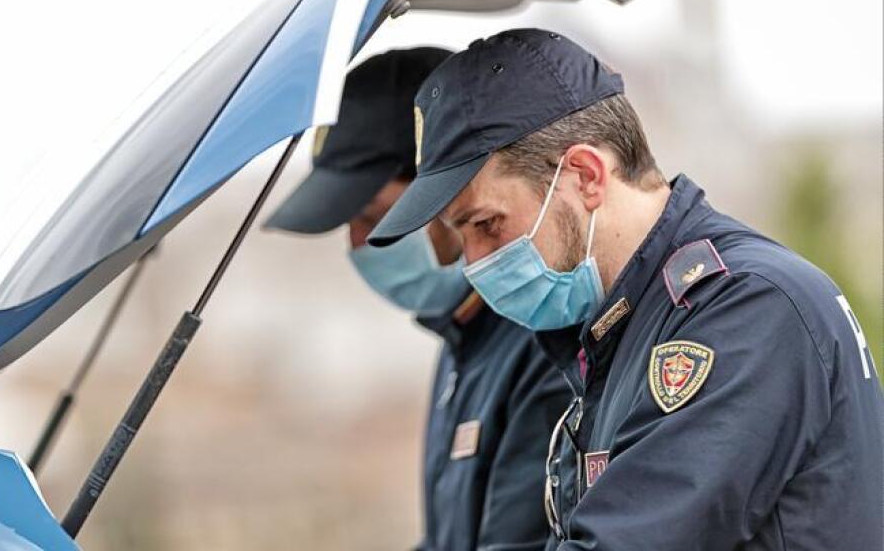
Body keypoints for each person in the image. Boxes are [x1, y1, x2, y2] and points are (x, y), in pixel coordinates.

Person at [367, 28, 884, 551]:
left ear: (586, 176)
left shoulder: (744, 310)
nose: (473, 261)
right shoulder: (626, 322)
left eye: (487, 224)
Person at [265, 47, 570, 551]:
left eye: (372, 214)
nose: (358, 243)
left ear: (448, 191)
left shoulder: (543, 348)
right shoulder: (464, 340)